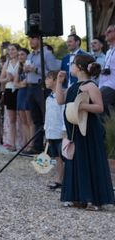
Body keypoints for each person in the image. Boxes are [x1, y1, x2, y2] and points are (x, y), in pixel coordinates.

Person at [55, 54, 114, 210]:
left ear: (80, 67)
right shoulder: (73, 86)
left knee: (89, 159)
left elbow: (99, 107)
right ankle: (78, 196)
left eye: (73, 64)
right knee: (76, 160)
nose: (71, 67)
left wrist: (81, 106)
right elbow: (60, 100)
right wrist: (58, 83)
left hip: (88, 129)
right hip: (75, 130)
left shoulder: (90, 85)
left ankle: (94, 198)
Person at [24, 35, 59, 154]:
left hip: (41, 88)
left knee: (46, 118)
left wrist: (36, 70)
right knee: (36, 119)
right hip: (30, 88)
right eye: (29, 39)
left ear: (39, 39)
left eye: (32, 38)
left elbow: (53, 72)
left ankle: (50, 147)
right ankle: (37, 147)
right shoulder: (30, 55)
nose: (30, 41)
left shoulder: (47, 54)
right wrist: (26, 69)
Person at [43, 70, 65, 190]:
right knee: (56, 157)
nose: (46, 80)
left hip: (60, 133)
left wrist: (64, 131)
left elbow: (63, 114)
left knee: (63, 157)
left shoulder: (61, 96)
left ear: (56, 80)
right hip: (51, 132)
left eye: (48, 78)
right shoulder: (48, 98)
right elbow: (47, 116)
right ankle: (59, 179)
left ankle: (64, 180)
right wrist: (46, 131)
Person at [0, 44, 20, 151]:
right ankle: (12, 143)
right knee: (12, 119)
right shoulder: (7, 63)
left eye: (13, 49)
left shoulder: (22, 62)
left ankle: (23, 143)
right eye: (9, 50)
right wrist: (8, 79)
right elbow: (1, 79)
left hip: (19, 90)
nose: (11, 51)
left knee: (23, 118)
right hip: (9, 91)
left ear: (17, 50)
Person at [14, 47, 32, 150]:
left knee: (30, 121)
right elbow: (15, 84)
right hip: (21, 94)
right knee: (23, 121)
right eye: (19, 55)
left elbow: (29, 82)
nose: (20, 57)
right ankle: (27, 144)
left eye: (22, 54)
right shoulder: (19, 68)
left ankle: (32, 144)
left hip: (29, 93)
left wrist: (21, 84)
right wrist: (21, 84)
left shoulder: (29, 66)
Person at [99, 24, 115, 117]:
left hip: (112, 85)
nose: (106, 33)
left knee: (97, 100)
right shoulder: (109, 51)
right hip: (104, 84)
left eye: (109, 31)